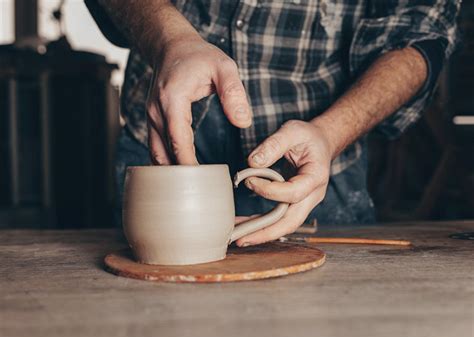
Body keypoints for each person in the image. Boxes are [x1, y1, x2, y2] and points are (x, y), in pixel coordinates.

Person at [86, 0, 459, 246]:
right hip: (160, 145)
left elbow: (420, 30)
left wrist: (330, 135)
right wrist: (169, 37)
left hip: (315, 163)